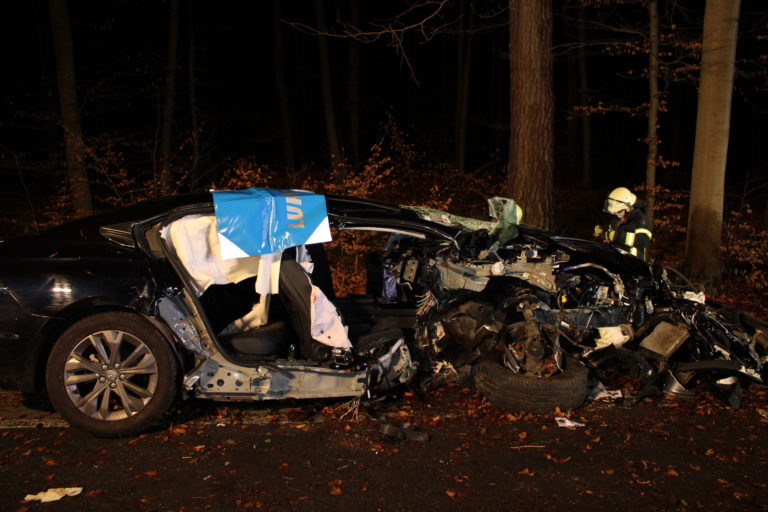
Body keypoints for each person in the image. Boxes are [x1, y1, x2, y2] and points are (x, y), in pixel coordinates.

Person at [593, 187, 653, 261]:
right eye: (614, 212)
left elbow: (642, 241)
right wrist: (602, 234)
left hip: (633, 265)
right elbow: (611, 238)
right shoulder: (617, 219)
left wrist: (615, 236)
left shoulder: (641, 220)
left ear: (628, 208)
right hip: (616, 262)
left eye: (618, 212)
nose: (616, 214)